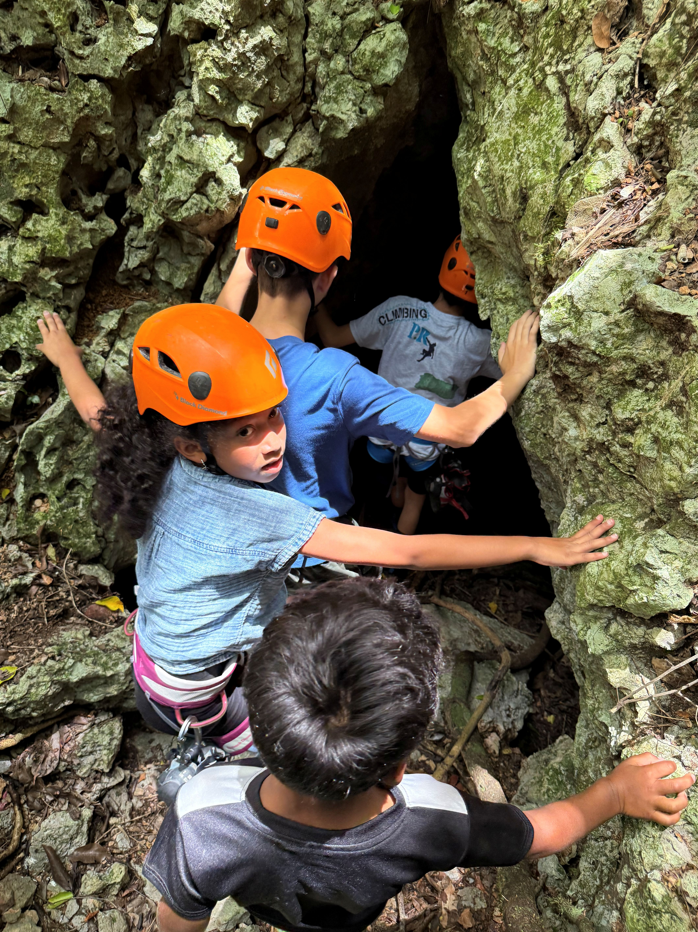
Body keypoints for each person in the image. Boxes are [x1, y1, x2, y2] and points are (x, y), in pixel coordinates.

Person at [36, 305, 617, 753]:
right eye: (245, 433)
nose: (272, 441)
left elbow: (97, 413)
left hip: (155, 660)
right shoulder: (254, 513)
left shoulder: (152, 455)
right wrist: (540, 546)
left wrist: (67, 359)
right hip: (198, 698)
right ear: (192, 446)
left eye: (274, 416)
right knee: (309, 761)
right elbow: (403, 551)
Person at [143, 578, 695, 932]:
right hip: (352, 913)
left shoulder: (202, 814)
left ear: (258, 727)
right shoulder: (430, 816)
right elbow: (540, 834)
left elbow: (179, 918)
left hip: (269, 903)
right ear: (401, 765)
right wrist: (616, 793)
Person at [216, 169, 539, 548]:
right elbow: (460, 429)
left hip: (241, 544)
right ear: (328, 278)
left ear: (251, 259)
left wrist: (256, 239)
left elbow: (225, 308)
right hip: (315, 560)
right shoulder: (335, 377)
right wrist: (516, 374)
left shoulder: (216, 344)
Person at [317, 234, 514, 534]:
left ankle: (370, 523)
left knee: (380, 480)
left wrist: (314, 302)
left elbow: (332, 338)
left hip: (380, 432)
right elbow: (511, 373)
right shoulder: (477, 343)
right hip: (427, 440)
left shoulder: (398, 310)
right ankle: (397, 564)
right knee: (413, 503)